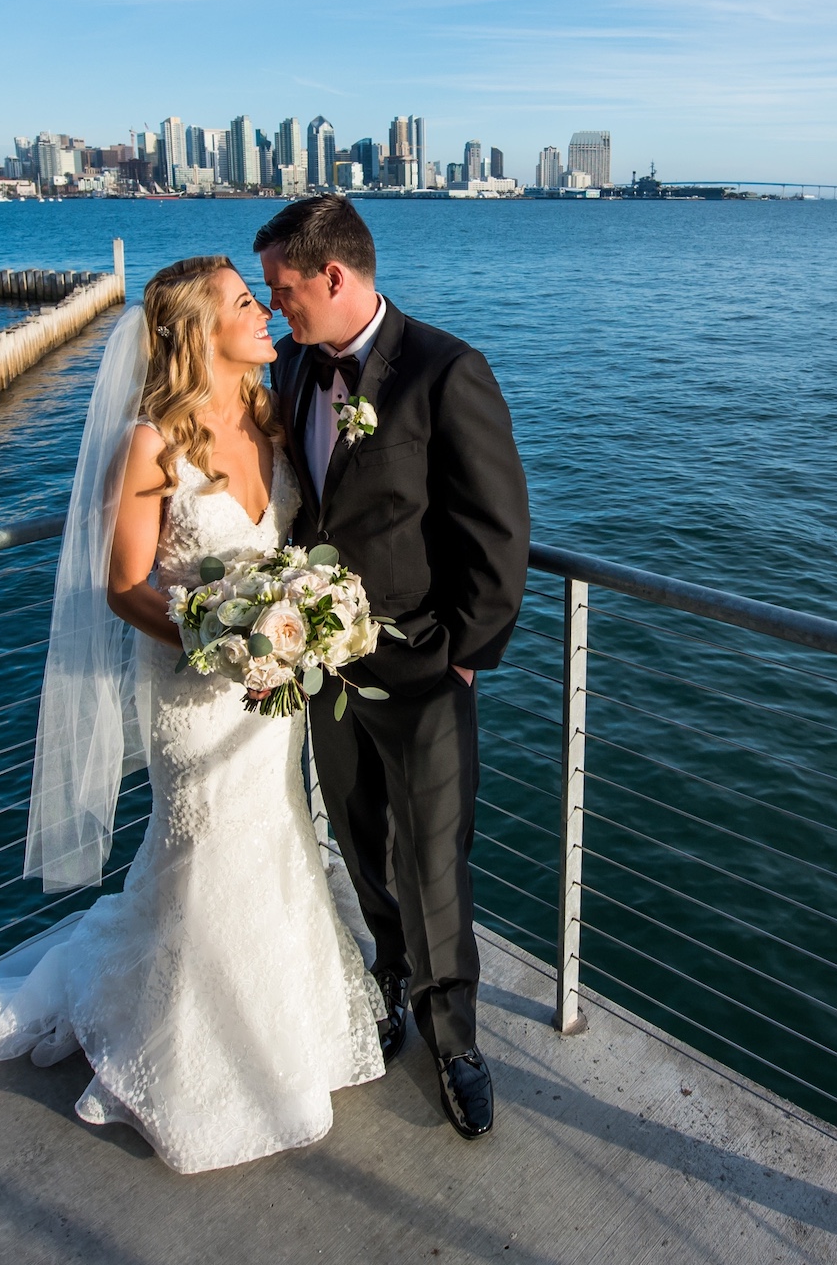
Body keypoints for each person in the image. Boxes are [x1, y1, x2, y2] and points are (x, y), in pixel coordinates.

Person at [0, 255, 385, 1175]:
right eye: (247, 303)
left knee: (279, 838)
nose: (267, 311)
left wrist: (284, 639)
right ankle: (199, 1055)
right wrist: (224, 636)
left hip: (266, 699)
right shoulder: (152, 443)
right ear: (199, 332)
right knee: (204, 852)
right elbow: (123, 585)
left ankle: (293, 1030)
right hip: (194, 694)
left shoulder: (272, 411)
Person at [255, 196, 530, 1141]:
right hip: (321, 670)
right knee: (358, 833)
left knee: (436, 859)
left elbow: (497, 538)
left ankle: (454, 1039)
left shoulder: (446, 371)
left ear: (335, 277)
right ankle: (383, 972)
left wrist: (460, 661)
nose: (274, 309)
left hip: (421, 670)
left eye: (284, 290)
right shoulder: (291, 365)